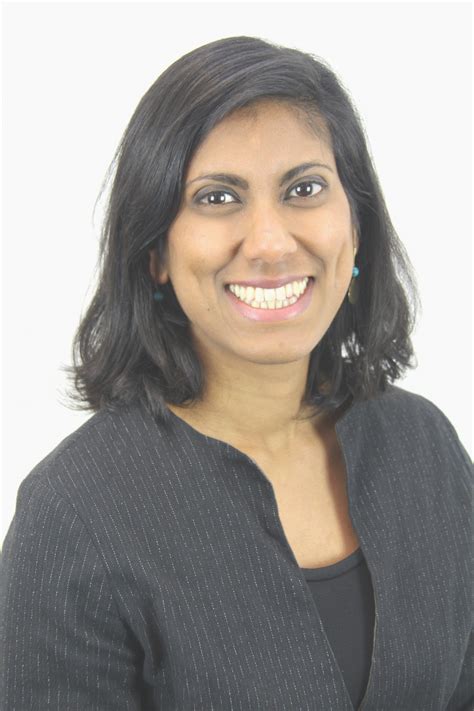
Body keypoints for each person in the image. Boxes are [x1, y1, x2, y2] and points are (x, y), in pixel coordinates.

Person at [0, 35, 471, 711]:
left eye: (304, 188)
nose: (272, 243)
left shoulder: (423, 446)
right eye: (218, 198)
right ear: (155, 251)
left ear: (356, 226)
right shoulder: (75, 512)